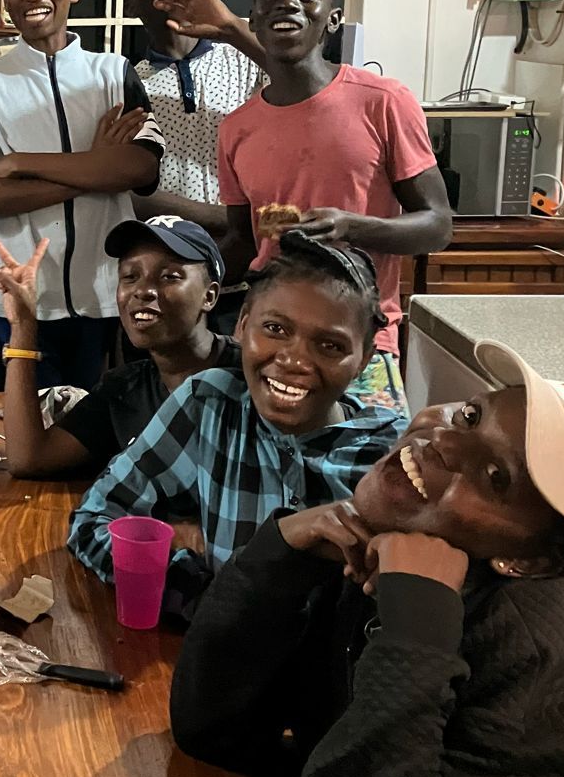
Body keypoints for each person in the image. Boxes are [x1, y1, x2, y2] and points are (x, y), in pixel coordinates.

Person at [171, 342, 564, 777]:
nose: (444, 442)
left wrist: (415, 635)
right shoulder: (378, 543)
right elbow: (212, 729)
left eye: (494, 476)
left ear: (530, 562)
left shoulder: (533, 651)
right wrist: (278, 557)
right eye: (469, 416)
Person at [66, 231, 404, 612]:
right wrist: (198, 594)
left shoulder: (389, 456)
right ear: (242, 326)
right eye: (275, 329)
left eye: (330, 345)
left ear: (363, 359)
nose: (293, 361)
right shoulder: (211, 405)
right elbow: (96, 517)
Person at [215, 0, 452, 412]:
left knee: (370, 483)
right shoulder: (236, 129)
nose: (288, 3)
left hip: (358, 342)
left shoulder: (382, 102)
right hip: (269, 342)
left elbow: (437, 224)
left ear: (332, 19)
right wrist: (195, 282)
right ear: (254, 20)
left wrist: (352, 226)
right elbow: (243, 241)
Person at [0, 0, 164, 390]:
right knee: (21, 432)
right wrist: (96, 168)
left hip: (105, 290)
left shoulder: (114, 73)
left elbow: (141, 167)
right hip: (17, 293)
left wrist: (21, 165)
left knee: (91, 428)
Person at [0, 216, 237, 479]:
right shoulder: (124, 389)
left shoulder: (248, 376)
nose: (143, 291)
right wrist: (23, 323)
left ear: (209, 296)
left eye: (169, 277)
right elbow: (30, 459)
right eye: (130, 277)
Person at [124, 0, 265, 235]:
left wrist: (230, 27)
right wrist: (230, 220)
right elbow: (132, 192)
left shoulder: (246, 61)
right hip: (171, 250)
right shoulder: (128, 85)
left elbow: (303, 82)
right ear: (129, 4)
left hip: (252, 248)